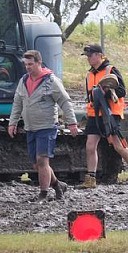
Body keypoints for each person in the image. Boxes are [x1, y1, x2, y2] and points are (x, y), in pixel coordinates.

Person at [7, 49, 78, 203]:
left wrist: (71, 122)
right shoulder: (23, 81)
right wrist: (12, 122)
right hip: (30, 127)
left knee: (42, 160)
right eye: (26, 64)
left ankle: (43, 194)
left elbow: (65, 101)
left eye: (30, 64)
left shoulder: (51, 81)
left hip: (47, 126)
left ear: (39, 63)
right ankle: (58, 185)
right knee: (36, 165)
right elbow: (18, 103)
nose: (28, 67)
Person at [77, 44, 128, 189]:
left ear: (99, 55)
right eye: (87, 56)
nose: (88, 58)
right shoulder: (89, 75)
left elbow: (122, 91)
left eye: (90, 55)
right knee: (90, 146)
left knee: (118, 145)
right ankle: (91, 179)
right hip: (94, 114)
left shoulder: (111, 70)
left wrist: (106, 92)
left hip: (110, 114)